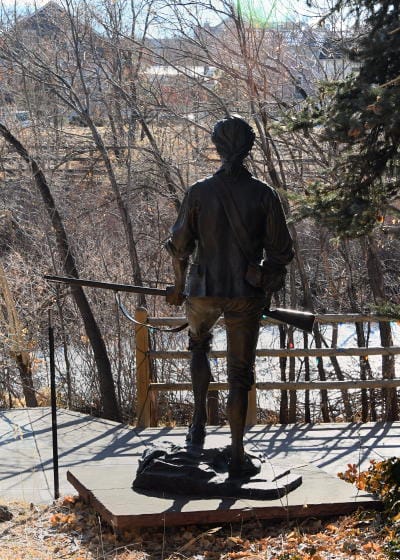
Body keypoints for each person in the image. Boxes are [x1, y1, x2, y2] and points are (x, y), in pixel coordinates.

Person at [165, 116, 294, 478]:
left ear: (217, 147)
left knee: (198, 347)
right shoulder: (263, 194)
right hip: (244, 295)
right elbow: (282, 251)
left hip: (203, 291)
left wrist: (178, 286)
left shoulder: (199, 191)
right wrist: (264, 279)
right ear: (249, 148)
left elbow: (178, 247)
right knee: (240, 374)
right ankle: (237, 453)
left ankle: (198, 426)